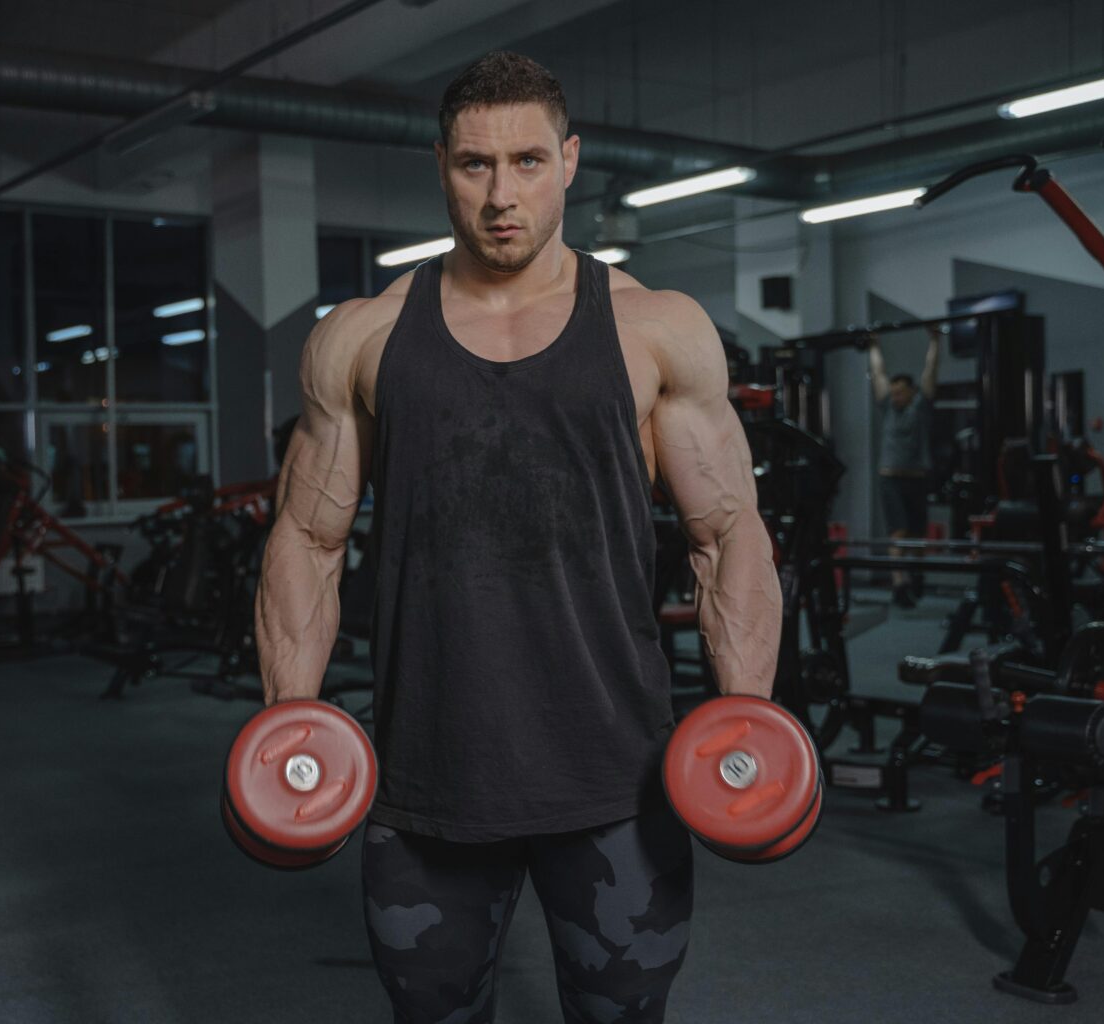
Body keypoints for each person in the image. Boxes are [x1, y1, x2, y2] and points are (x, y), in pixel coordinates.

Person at [254, 51, 780, 1024]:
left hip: (619, 779)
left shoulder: (655, 327)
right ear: (442, 168)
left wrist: (748, 720)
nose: (503, 195)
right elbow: (307, 537)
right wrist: (293, 724)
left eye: (529, 162)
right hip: (426, 785)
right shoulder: (362, 336)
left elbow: (727, 532)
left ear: (571, 160)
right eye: (475, 165)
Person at [867, 328, 940, 608]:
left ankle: (917, 576)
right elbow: (878, 374)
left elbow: (930, 372)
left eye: (900, 393)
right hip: (890, 479)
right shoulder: (887, 408)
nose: (895, 396)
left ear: (911, 392)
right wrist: (874, 345)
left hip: (916, 479)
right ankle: (900, 584)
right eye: (893, 393)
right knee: (897, 534)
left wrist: (935, 341)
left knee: (918, 536)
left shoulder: (920, 407)